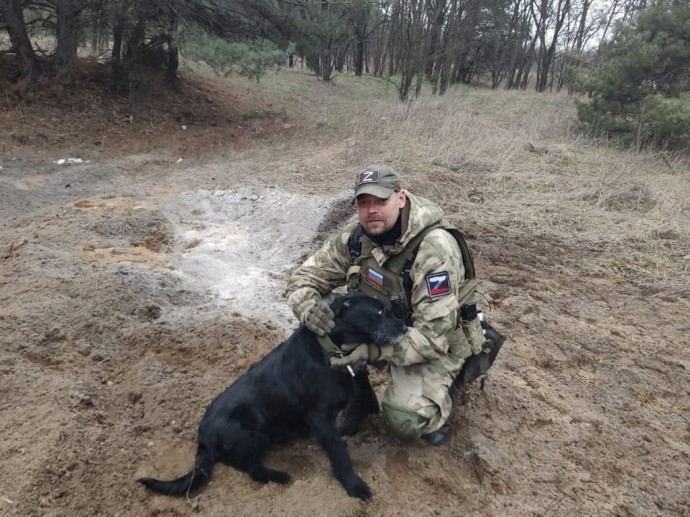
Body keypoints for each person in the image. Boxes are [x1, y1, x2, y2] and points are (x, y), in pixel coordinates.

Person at [285, 164, 500, 446]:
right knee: (319, 326)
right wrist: (309, 310)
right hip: (386, 322)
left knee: (406, 420)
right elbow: (303, 279)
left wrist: (372, 350)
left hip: (432, 336)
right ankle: (358, 396)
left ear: (400, 198)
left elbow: (433, 338)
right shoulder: (356, 237)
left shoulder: (434, 250)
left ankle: (454, 379)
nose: (371, 210)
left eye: (380, 201)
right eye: (364, 203)